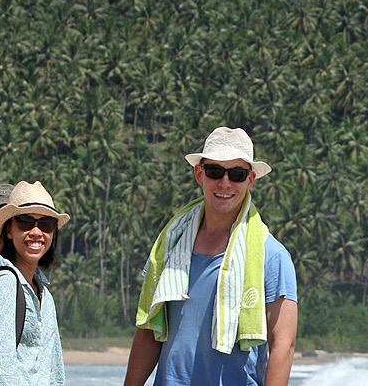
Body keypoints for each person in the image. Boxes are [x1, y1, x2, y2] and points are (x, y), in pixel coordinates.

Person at [124, 127, 300, 386]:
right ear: (199, 174)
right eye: (215, 172)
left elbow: (283, 345)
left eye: (237, 174)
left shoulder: (271, 255)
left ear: (250, 180)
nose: (225, 183)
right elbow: (150, 328)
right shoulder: (171, 244)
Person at [0, 181, 70, 385]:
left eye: (45, 224)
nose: (36, 232)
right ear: (9, 230)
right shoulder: (4, 283)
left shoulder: (45, 296)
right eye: (25, 222)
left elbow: (55, 369)